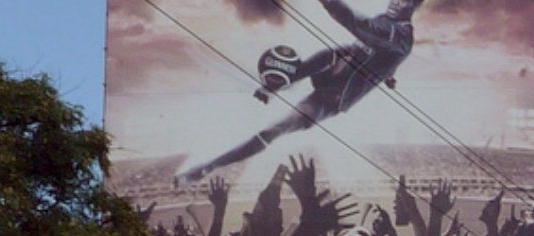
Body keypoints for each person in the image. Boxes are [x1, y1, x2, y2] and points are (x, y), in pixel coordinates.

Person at [178, 0, 422, 186]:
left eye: (402, 0)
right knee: (331, 53)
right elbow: (378, 52)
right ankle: (279, 83)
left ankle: (207, 167)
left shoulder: (399, 35)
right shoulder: (389, 25)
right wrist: (389, 73)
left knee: (272, 131)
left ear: (413, 5)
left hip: (332, 98)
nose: (394, 2)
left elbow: (357, 24)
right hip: (332, 71)